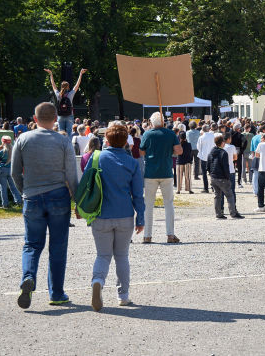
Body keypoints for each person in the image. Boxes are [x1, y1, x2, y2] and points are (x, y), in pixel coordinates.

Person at [12, 102, 80, 308]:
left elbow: (15, 172)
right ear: (56, 119)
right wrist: (77, 200)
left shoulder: (22, 139)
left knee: (32, 244)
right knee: (58, 246)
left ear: (34, 119)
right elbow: (71, 174)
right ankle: (56, 293)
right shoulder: (63, 141)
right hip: (59, 196)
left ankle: (28, 277)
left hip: (32, 196)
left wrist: (25, 191)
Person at [88, 123, 146, 311]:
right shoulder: (131, 162)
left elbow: (86, 184)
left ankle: (98, 281)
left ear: (106, 140)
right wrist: (141, 219)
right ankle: (123, 296)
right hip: (124, 215)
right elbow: (138, 194)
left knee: (103, 255)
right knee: (122, 256)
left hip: (101, 214)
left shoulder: (97, 158)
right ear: (126, 142)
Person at [139, 112, 182, 244]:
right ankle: (170, 234)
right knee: (168, 204)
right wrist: (170, 151)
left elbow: (141, 151)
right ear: (163, 122)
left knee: (148, 205)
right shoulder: (170, 134)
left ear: (152, 122)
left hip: (151, 172)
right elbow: (179, 150)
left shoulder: (147, 134)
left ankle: (147, 235)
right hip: (166, 171)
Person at [207, 133, 243, 220]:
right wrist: (227, 177)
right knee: (229, 195)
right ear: (222, 143)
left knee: (217, 195)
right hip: (222, 177)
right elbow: (225, 166)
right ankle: (233, 213)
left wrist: (210, 174)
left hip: (213, 177)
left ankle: (218, 214)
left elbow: (208, 164)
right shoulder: (223, 153)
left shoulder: (211, 151)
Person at [45, 67, 86, 136]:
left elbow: (53, 85)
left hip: (60, 115)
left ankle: (61, 146)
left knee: (61, 133)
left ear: (61, 87)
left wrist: (51, 74)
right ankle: (68, 146)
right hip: (69, 114)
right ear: (68, 87)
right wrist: (80, 74)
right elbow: (77, 85)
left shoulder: (58, 95)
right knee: (69, 133)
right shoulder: (70, 94)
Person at [0, 136, 23, 208]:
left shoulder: (2, 151)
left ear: (3, 142)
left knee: (3, 187)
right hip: (11, 170)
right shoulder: (14, 150)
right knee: (13, 186)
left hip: (2, 169)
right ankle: (19, 201)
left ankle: (5, 204)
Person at [196, 124, 215, 193]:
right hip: (212, 156)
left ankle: (206, 188)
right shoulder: (213, 136)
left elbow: (198, 147)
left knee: (204, 173)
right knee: (212, 173)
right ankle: (213, 187)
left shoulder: (201, 137)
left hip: (203, 156)